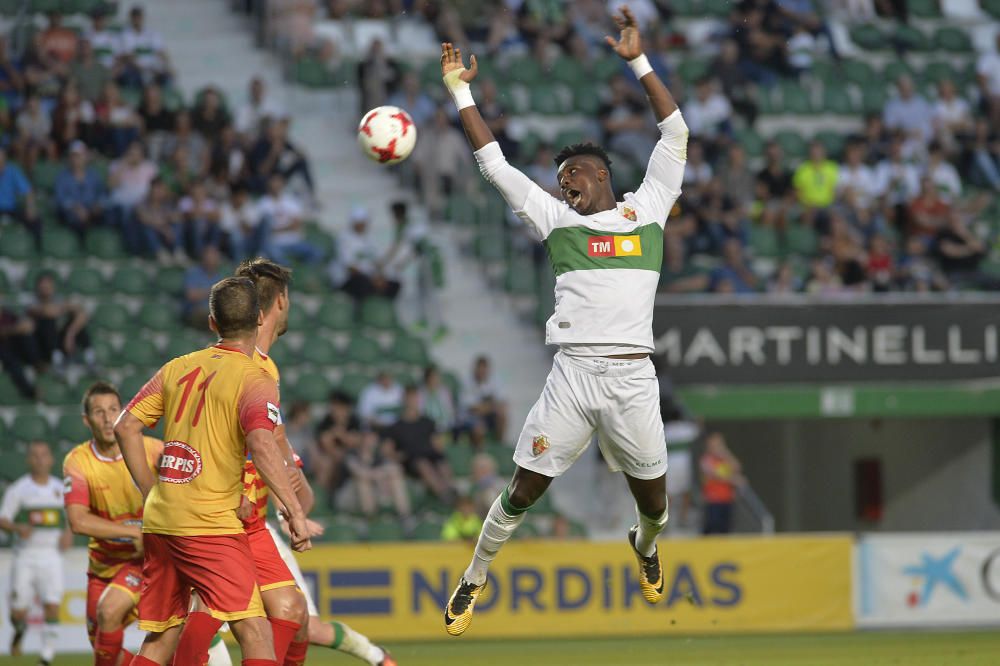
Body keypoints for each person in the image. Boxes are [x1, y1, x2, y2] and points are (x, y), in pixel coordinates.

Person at [439, 6, 686, 634]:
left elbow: (675, 133)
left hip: (633, 379)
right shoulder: (557, 220)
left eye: (571, 173)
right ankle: (474, 576)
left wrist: (638, 62)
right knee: (523, 490)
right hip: (574, 376)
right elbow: (494, 165)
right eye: (558, 178)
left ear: (600, 175)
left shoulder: (649, 209)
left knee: (655, 506)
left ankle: (646, 546)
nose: (563, 183)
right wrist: (461, 91)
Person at [115, 276, 310, 665]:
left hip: (161, 520)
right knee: (254, 631)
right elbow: (261, 444)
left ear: (211, 322)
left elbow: (125, 426)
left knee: (161, 637)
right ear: (259, 318)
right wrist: (294, 510)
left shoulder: (178, 367)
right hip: (210, 524)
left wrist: (152, 490)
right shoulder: (256, 378)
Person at [233, 258, 396, 666]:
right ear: (281, 302)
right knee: (202, 632)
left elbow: (276, 445)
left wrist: (294, 498)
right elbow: (260, 445)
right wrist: (293, 507)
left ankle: (378, 657)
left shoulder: (263, 368)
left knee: (295, 617)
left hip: (246, 520)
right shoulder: (248, 369)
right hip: (223, 521)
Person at [63, 382, 164, 666]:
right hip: (102, 567)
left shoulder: (153, 450)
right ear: (87, 420)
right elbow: (78, 521)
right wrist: (134, 531)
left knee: (109, 611)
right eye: (99, 412)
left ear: (124, 412)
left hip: (144, 561)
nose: (108, 419)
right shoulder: (78, 461)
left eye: (113, 410)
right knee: (105, 652)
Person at [0, 441, 71, 664]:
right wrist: (16, 527)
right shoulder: (18, 490)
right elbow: (3, 519)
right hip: (25, 555)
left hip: (51, 555)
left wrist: (68, 533)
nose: (40, 459)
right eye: (35, 455)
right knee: (19, 612)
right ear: (28, 460)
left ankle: (46, 656)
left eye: (44, 455)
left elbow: (71, 517)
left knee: (52, 605)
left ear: (51, 459)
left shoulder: (60, 488)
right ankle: (19, 629)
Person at [383, 386, 456, 504]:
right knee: (423, 464)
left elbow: (437, 444)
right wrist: (397, 456)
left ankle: (450, 489)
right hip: (412, 459)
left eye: (416, 398)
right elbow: (386, 450)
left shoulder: (427, 422)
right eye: (411, 398)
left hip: (429, 454)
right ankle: (443, 493)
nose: (414, 401)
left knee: (442, 462)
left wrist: (439, 446)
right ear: (404, 400)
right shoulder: (396, 426)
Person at [27, 271, 95, 373]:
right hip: (42, 346)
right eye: (43, 286)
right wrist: (65, 307)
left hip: (61, 341)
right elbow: (47, 312)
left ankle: (90, 359)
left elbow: (82, 315)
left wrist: (70, 334)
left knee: (77, 325)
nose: (46, 289)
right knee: (47, 323)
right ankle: (57, 360)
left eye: (48, 286)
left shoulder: (58, 299)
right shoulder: (32, 301)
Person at [55, 140, 106, 238]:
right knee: (73, 218)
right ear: (70, 158)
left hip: (91, 211)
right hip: (72, 212)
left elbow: (102, 193)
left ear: (85, 157)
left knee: (106, 214)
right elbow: (60, 198)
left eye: (79, 156)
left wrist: (98, 205)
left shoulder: (93, 175)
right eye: (74, 156)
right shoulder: (62, 176)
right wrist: (76, 208)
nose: (76, 159)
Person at [700, 431, 744, 535]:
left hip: (726, 499)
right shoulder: (706, 460)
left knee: (726, 528)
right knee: (713, 527)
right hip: (713, 500)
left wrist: (725, 454)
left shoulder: (724, 459)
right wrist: (736, 480)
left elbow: (737, 467)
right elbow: (717, 475)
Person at [183, 245, 224, 326]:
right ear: (204, 257)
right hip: (194, 311)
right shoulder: (193, 272)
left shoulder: (218, 276)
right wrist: (212, 291)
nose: (215, 258)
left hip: (212, 311)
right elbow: (191, 296)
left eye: (216, 256)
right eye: (212, 255)